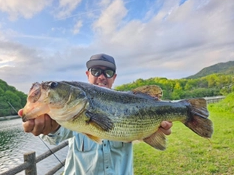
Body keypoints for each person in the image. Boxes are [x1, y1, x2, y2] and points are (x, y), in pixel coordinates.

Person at [18, 54, 172, 175]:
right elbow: (57, 133)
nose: (102, 76)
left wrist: (153, 131)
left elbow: (146, 134)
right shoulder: (70, 111)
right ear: (87, 74)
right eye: (96, 71)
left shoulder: (130, 102)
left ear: (114, 78)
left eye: (108, 72)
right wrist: (49, 128)